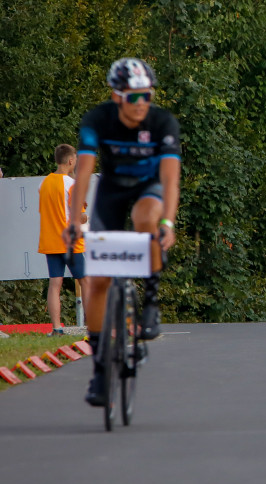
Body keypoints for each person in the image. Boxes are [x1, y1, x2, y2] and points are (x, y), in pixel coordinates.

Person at [64, 57, 181, 406]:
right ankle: (100, 371)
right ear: (117, 97)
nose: (142, 104)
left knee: (148, 215)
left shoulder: (162, 122)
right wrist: (74, 221)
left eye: (147, 95)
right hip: (112, 193)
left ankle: (152, 301)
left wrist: (169, 223)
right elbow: (83, 173)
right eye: (134, 97)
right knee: (98, 280)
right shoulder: (98, 119)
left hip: (149, 189)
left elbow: (172, 178)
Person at [38, 144, 88, 336]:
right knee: (85, 282)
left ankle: (56, 328)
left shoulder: (44, 183)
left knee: (54, 285)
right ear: (70, 161)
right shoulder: (72, 185)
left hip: (51, 242)